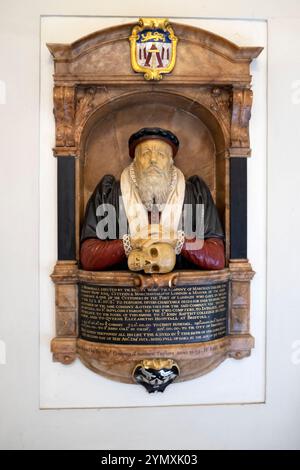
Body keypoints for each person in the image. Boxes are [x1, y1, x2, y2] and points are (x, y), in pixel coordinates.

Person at [80, 127, 225, 271]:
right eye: (146, 154)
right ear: (135, 161)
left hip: (183, 291)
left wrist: (178, 241)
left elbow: (217, 257)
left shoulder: (196, 194)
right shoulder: (108, 193)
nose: (153, 160)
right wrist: (130, 243)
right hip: (123, 290)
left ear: (170, 162)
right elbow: (88, 256)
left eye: (161, 154)